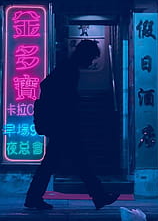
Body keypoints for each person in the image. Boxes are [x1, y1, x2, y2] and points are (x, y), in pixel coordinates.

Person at [24, 39, 120, 210]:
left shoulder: (67, 68)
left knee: (58, 162)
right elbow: (62, 97)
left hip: (61, 124)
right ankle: (99, 196)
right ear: (85, 55)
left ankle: (34, 197)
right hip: (64, 125)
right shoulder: (68, 70)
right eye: (91, 58)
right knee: (77, 162)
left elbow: (48, 87)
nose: (91, 62)